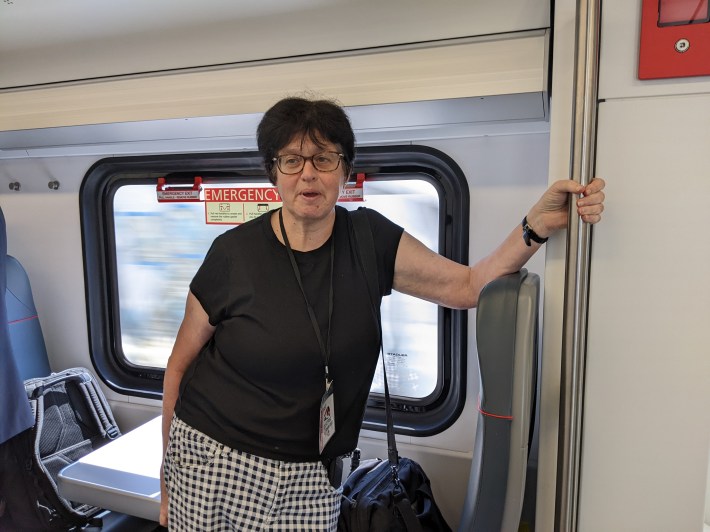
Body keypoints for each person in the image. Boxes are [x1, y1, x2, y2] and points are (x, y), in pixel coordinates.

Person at [159, 95, 605, 530]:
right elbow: (179, 365)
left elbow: (468, 286)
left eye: (324, 158)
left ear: (345, 169)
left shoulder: (369, 240)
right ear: (273, 173)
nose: (308, 173)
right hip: (211, 460)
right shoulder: (233, 254)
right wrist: (167, 477)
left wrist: (536, 225)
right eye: (291, 160)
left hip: (311, 476)